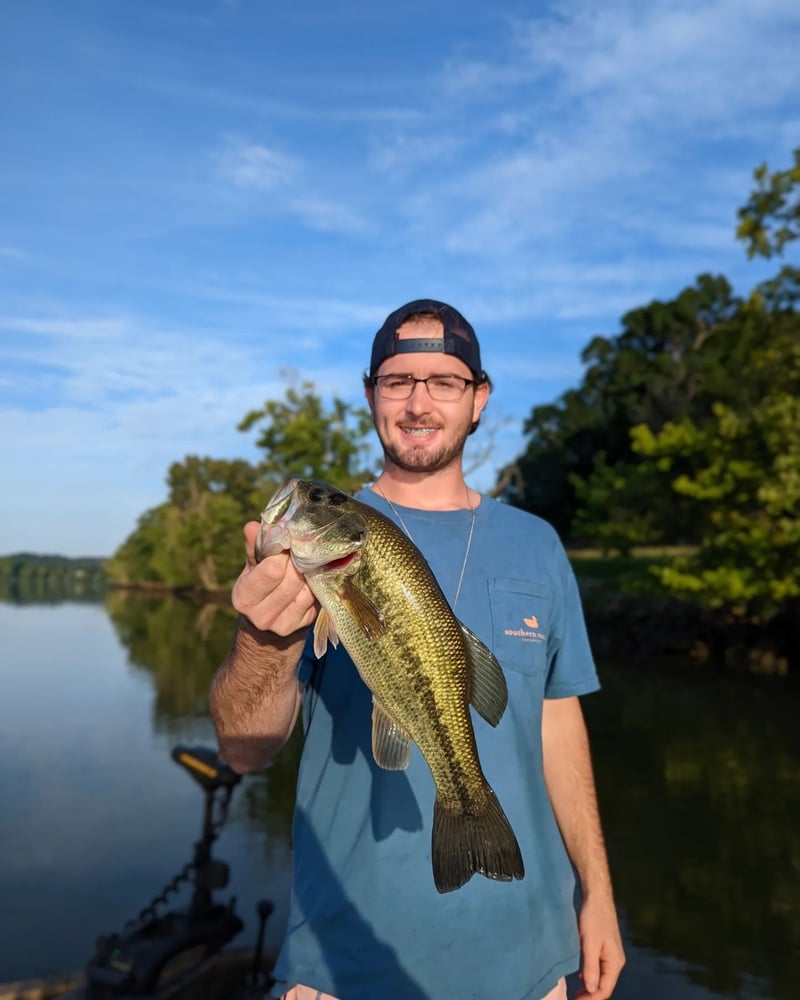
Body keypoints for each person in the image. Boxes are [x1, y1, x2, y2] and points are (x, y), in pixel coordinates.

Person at [210, 299, 626, 1000]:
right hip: (341, 969)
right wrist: (263, 639)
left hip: (533, 963)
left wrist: (600, 892)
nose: (419, 402)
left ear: (478, 399)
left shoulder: (539, 545)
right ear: (371, 393)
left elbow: (557, 722)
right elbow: (243, 750)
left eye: (445, 381)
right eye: (399, 381)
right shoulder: (307, 568)